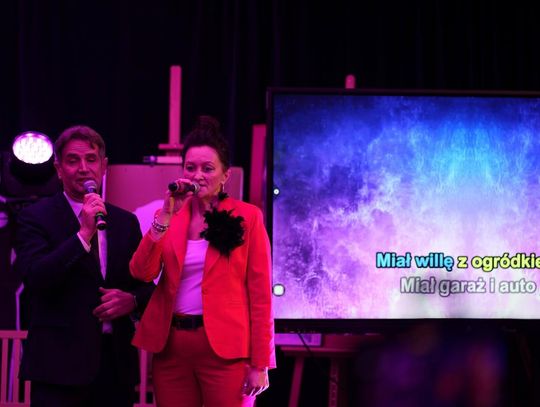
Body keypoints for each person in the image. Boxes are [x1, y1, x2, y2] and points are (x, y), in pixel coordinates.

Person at [130, 115, 276, 407]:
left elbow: (261, 295)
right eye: (190, 167)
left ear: (225, 175)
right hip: (173, 346)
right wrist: (165, 216)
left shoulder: (248, 217)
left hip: (226, 349)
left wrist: (261, 363)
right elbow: (141, 272)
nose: (197, 175)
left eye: (207, 168)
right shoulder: (169, 216)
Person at [14, 125, 155, 407]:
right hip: (58, 368)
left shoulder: (125, 222)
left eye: (91, 159)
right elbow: (36, 276)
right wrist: (83, 235)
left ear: (104, 166)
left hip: (114, 367)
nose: (83, 168)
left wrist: (132, 300)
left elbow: (145, 285)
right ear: (58, 169)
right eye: (72, 160)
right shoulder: (35, 217)